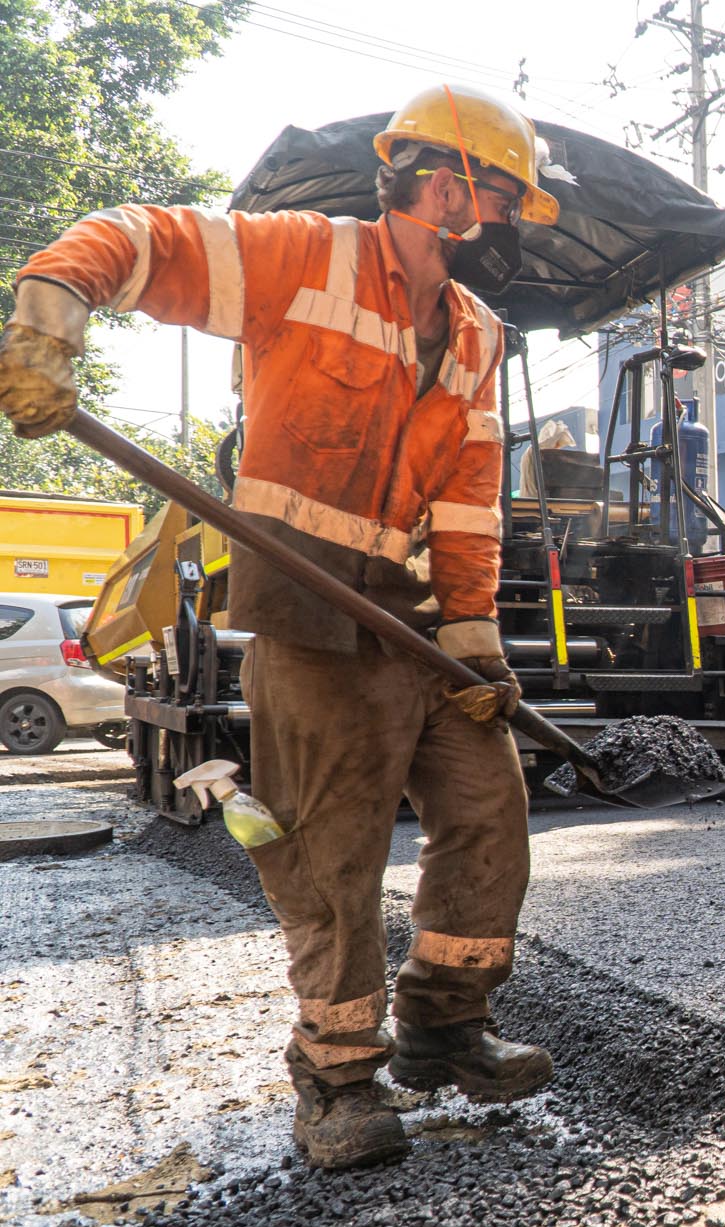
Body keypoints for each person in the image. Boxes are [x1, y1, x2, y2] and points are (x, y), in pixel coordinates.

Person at [0, 84, 566, 1169]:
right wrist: (47, 319)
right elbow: (140, 236)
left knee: (489, 805)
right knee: (333, 843)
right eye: (483, 188)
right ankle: (337, 1077)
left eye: (496, 197)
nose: (483, 212)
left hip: (411, 615)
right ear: (427, 174)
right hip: (305, 597)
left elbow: (467, 491)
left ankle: (444, 1029)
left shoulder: (479, 333)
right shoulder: (303, 257)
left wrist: (474, 630)